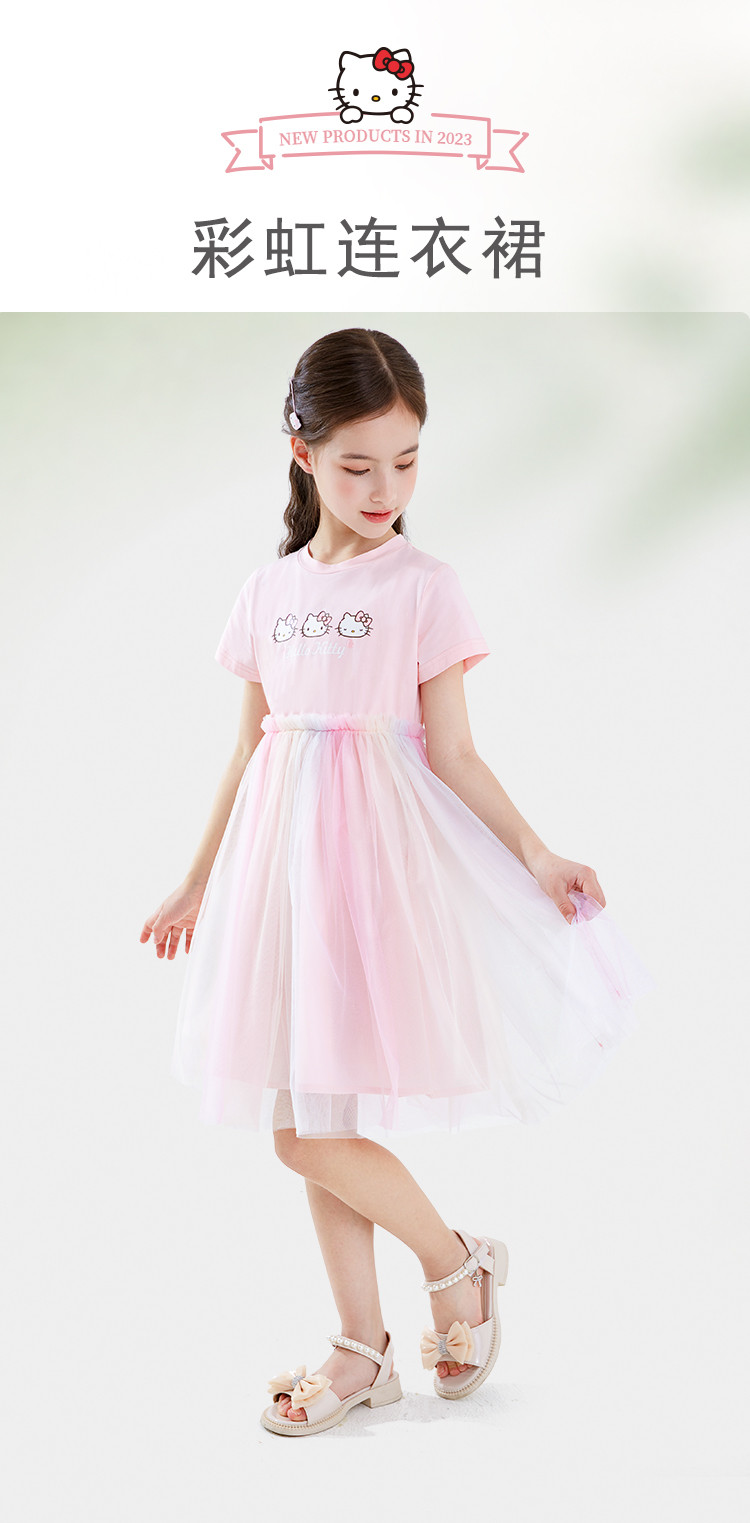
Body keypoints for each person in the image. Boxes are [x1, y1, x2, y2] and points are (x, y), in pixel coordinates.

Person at [140, 327, 654, 1436]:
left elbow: (455, 751)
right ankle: (364, 1348)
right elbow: (247, 748)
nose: (386, 489)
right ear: (302, 453)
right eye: (358, 464)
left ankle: (455, 1263)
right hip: (280, 872)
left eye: (408, 461)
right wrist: (195, 881)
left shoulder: (425, 586)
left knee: (304, 1130)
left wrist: (536, 852)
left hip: (373, 870)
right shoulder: (268, 590)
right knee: (308, 1113)